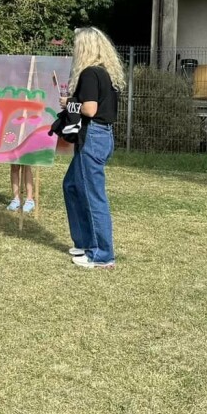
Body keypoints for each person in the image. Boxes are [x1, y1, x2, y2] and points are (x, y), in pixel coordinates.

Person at [62, 27, 124, 268]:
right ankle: (85, 242)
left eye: (76, 45)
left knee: (92, 195)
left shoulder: (89, 73)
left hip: (93, 137)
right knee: (71, 185)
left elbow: (90, 110)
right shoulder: (105, 73)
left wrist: (69, 103)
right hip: (103, 136)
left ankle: (102, 254)